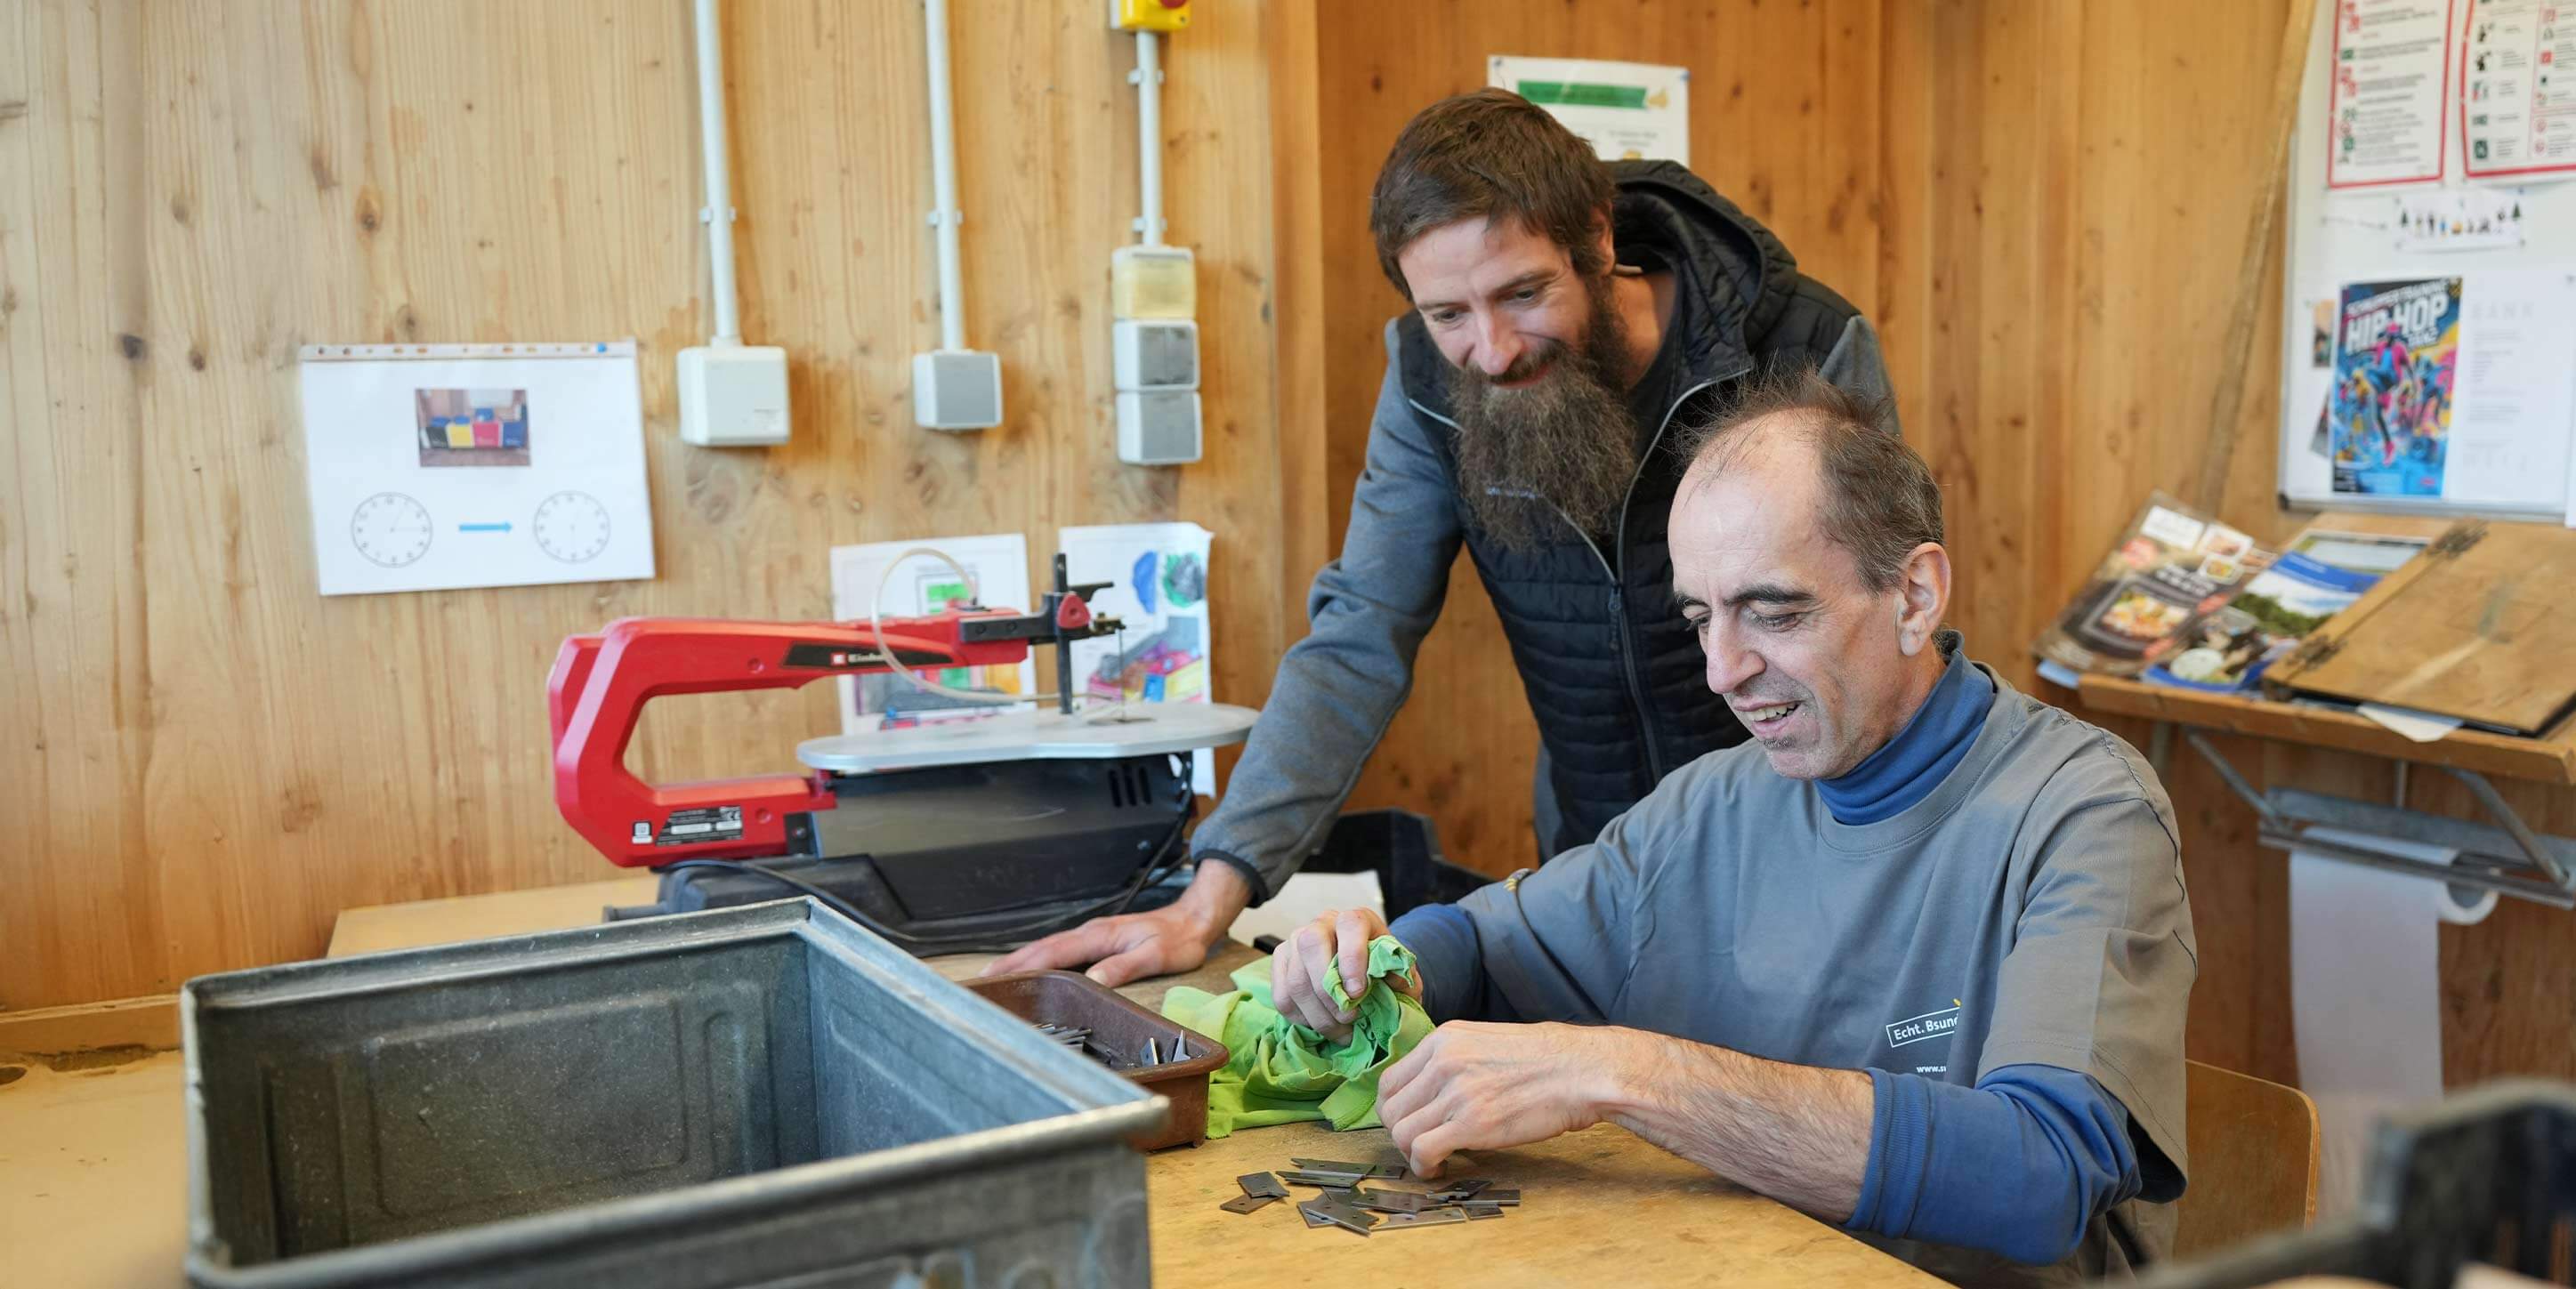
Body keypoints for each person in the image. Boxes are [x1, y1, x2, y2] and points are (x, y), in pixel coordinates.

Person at [1267, 374, 2194, 1286]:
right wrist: (1374, 964)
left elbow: (2039, 1176)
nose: (1722, 672)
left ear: (1915, 597)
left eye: (1774, 612)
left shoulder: (2084, 813)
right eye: (1702, 618)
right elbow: (1482, 942)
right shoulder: (1711, 802)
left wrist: (1627, 1072)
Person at [990, 89, 1899, 986]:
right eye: (1449, 315)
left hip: (1816, 860)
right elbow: (1358, 633)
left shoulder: (1801, 345)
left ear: (1598, 239)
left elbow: (1882, 627)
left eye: (1524, 292)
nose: (1494, 350)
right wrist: (1210, 897)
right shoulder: (1428, 387)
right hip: (1601, 867)